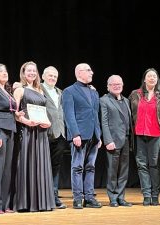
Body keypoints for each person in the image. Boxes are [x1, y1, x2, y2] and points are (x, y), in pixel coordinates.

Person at [12, 61, 55, 212]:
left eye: (34, 71)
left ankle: (42, 202)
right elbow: (15, 114)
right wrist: (25, 121)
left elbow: (44, 111)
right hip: (28, 131)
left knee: (41, 165)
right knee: (28, 163)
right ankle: (26, 202)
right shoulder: (20, 90)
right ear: (23, 73)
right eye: (28, 71)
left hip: (41, 132)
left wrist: (48, 123)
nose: (31, 73)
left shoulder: (40, 90)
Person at [128, 68, 160, 206]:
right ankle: (146, 195)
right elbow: (127, 111)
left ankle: (155, 195)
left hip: (156, 134)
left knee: (154, 165)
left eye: (154, 76)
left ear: (157, 79)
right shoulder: (135, 94)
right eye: (149, 76)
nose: (152, 78)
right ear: (144, 79)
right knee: (141, 165)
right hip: (139, 134)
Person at [62, 63, 102, 209]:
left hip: (93, 135)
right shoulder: (69, 91)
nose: (92, 72)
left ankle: (90, 198)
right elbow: (69, 115)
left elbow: (95, 114)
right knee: (77, 167)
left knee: (91, 167)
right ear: (79, 72)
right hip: (79, 135)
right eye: (88, 70)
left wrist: (99, 135)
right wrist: (75, 134)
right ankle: (77, 198)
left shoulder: (94, 92)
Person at [0, 63, 23, 214]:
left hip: (11, 130)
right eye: (0, 71)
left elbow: (11, 109)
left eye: (5, 71)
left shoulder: (6, 91)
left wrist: (17, 114)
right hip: (0, 130)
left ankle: (5, 204)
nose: (4, 73)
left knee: (8, 169)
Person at [100, 75, 133, 207]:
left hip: (126, 140)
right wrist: (108, 140)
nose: (116, 86)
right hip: (113, 141)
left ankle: (121, 197)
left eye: (119, 84)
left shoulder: (126, 100)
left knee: (124, 170)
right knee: (112, 171)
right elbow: (104, 122)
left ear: (122, 85)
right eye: (113, 84)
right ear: (108, 86)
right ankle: (113, 197)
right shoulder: (104, 100)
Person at [40, 66, 68, 209]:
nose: (52, 78)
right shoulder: (38, 89)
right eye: (50, 75)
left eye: (55, 76)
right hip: (43, 134)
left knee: (55, 166)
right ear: (43, 76)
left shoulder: (60, 92)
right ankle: (41, 196)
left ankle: (54, 196)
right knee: (41, 166)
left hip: (60, 134)